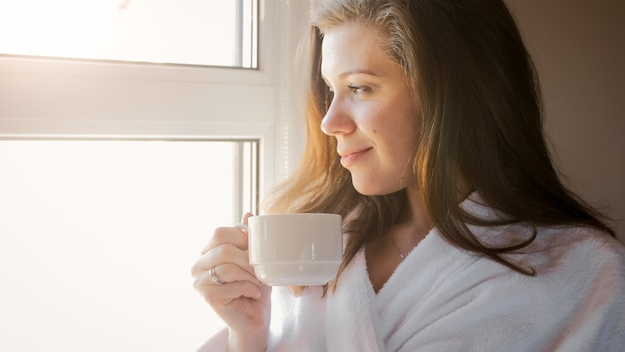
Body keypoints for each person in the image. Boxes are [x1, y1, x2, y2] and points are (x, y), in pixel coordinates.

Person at [191, 0, 625, 351]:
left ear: (451, 96)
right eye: (329, 90)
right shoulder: (311, 251)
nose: (329, 122)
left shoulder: (583, 273)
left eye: (359, 88)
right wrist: (247, 334)